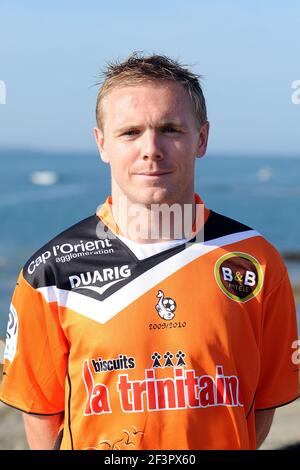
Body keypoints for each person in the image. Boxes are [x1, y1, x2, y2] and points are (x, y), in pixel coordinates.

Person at [0, 53, 299, 451]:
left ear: (202, 138)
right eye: (130, 132)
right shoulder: (49, 274)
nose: (152, 149)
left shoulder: (255, 262)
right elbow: (40, 415)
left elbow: (262, 404)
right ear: (102, 143)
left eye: (171, 129)